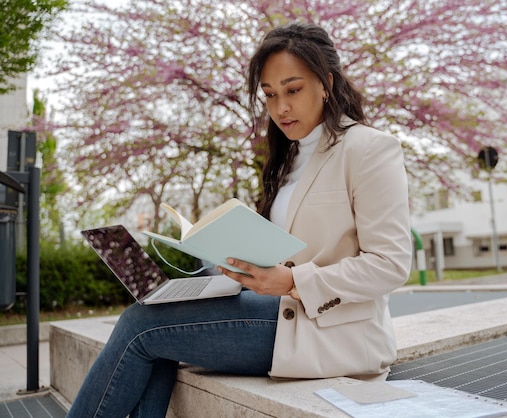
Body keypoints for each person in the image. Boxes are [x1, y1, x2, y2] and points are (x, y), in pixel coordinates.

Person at [66, 21, 412, 418]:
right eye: (269, 95)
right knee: (158, 321)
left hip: (329, 332)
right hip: (278, 311)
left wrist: (295, 281)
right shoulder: (290, 158)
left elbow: (390, 264)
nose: (281, 107)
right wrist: (230, 264)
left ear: (327, 83)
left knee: (139, 327)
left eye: (293, 90)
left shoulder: (369, 149)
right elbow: (284, 252)